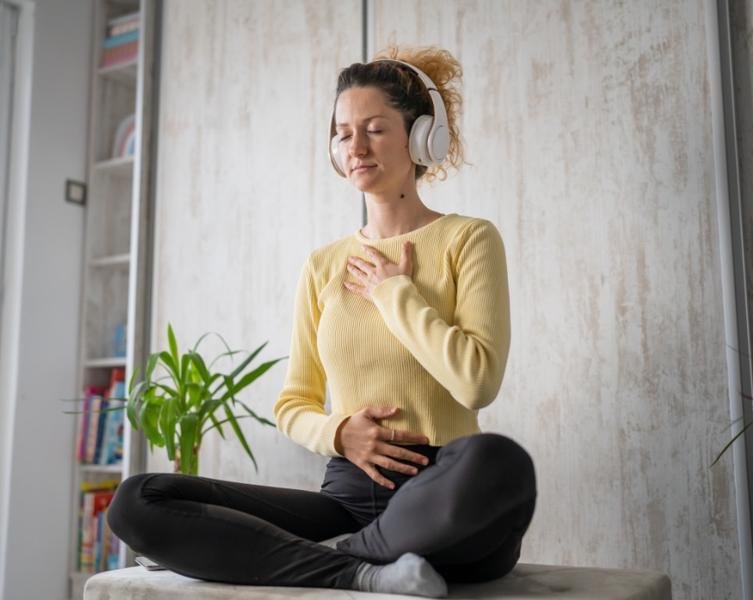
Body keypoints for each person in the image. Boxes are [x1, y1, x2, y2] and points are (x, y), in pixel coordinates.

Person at [107, 44, 536, 598]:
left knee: (498, 461)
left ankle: (307, 556)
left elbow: (477, 382)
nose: (355, 146)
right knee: (139, 498)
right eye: (341, 132)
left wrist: (392, 292)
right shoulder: (323, 265)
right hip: (346, 500)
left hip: (442, 494)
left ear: (423, 134)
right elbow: (293, 404)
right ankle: (357, 570)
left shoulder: (468, 239)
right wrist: (339, 432)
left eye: (375, 128)